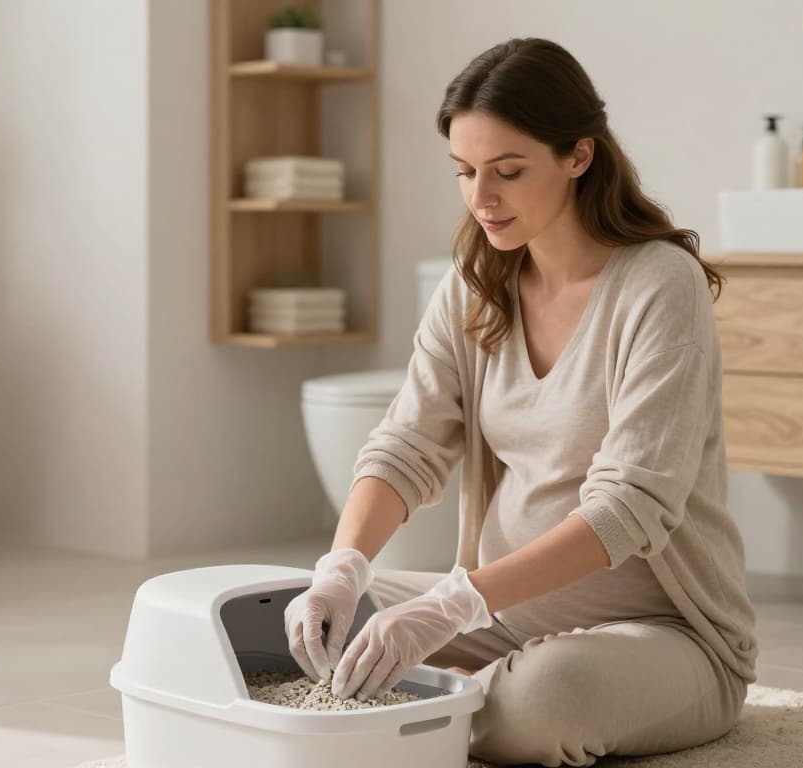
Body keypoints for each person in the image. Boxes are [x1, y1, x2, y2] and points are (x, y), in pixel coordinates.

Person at [283, 38, 758, 767]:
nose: (482, 198)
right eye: (466, 172)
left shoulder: (659, 286)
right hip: (499, 616)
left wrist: (452, 606)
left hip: (662, 638)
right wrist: (341, 568)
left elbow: (630, 506)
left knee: (545, 703)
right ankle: (455, 688)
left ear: (579, 156)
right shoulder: (477, 284)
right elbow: (407, 445)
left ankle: (451, 693)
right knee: (279, 618)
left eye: (507, 171)